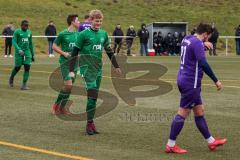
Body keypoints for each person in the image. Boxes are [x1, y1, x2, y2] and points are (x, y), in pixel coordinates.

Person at [165, 23, 227, 154]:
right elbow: (203, 63)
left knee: (199, 111)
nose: (207, 40)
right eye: (207, 37)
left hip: (183, 78)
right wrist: (216, 80)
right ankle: (170, 144)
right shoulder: (198, 43)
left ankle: (211, 142)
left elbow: (192, 49)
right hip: (190, 83)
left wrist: (203, 45)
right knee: (183, 113)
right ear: (205, 34)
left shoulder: (186, 39)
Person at [69, 10, 122, 135]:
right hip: (87, 69)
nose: (98, 23)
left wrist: (116, 66)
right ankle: (89, 123)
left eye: (100, 21)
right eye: (96, 21)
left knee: (94, 97)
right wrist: (71, 70)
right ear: (91, 20)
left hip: (98, 70)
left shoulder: (103, 34)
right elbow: (74, 52)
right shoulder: (83, 35)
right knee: (92, 96)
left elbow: (109, 51)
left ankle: (91, 122)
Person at [51, 14, 80, 114]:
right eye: (77, 20)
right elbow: (54, 46)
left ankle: (62, 108)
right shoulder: (63, 34)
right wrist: (64, 53)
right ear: (72, 22)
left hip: (74, 65)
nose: (79, 22)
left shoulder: (78, 35)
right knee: (68, 85)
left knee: (69, 87)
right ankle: (56, 106)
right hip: (65, 64)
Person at [9, 20, 35, 90]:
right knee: (17, 67)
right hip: (19, 52)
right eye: (25, 25)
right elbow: (13, 41)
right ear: (21, 25)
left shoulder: (29, 32)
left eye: (27, 25)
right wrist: (19, 49)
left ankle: (24, 85)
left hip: (27, 52)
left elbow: (30, 44)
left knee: (27, 67)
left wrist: (32, 54)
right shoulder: (17, 32)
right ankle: (11, 77)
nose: (26, 27)